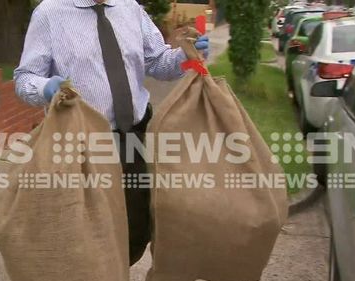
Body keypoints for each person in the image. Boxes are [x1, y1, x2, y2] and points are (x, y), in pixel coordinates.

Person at [14, 0, 209, 265]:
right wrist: (46, 87)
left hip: (133, 140)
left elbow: (158, 62)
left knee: (136, 229)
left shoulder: (130, 8)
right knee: (85, 235)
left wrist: (184, 55)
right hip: (82, 146)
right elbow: (24, 77)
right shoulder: (49, 13)